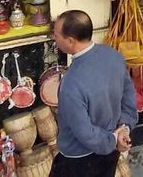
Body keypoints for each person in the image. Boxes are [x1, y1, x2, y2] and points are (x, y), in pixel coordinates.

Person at [50, 10, 138, 177]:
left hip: (79, 159)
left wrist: (112, 140)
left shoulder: (71, 83)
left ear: (70, 41)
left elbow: (84, 132)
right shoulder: (113, 56)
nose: (54, 39)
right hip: (111, 150)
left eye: (56, 35)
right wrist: (124, 128)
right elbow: (129, 97)